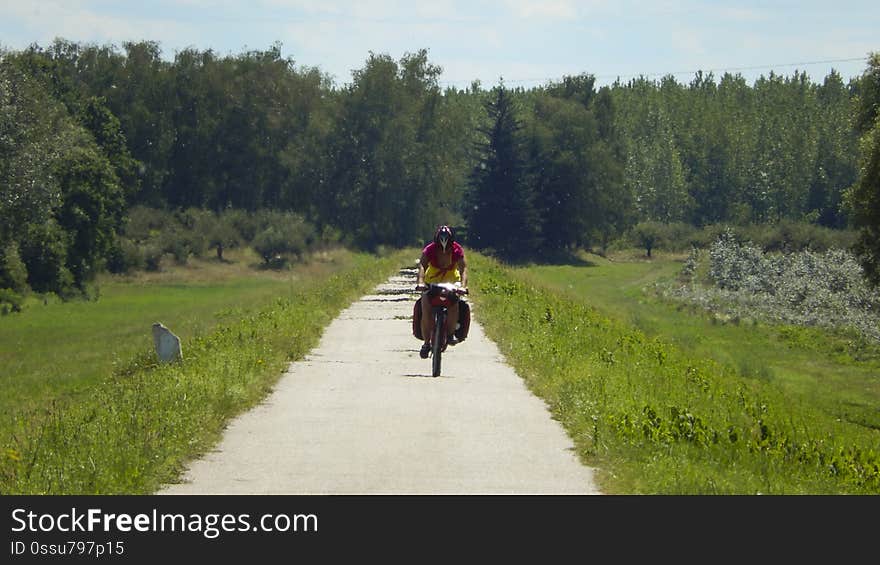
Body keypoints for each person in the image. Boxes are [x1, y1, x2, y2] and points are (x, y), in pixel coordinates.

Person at [415, 225, 468, 359]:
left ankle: (450, 334)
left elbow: (463, 269)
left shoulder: (457, 250)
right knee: (425, 305)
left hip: (451, 282)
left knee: (454, 303)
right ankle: (426, 343)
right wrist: (420, 282)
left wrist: (462, 286)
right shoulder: (430, 249)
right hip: (432, 281)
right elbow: (422, 265)